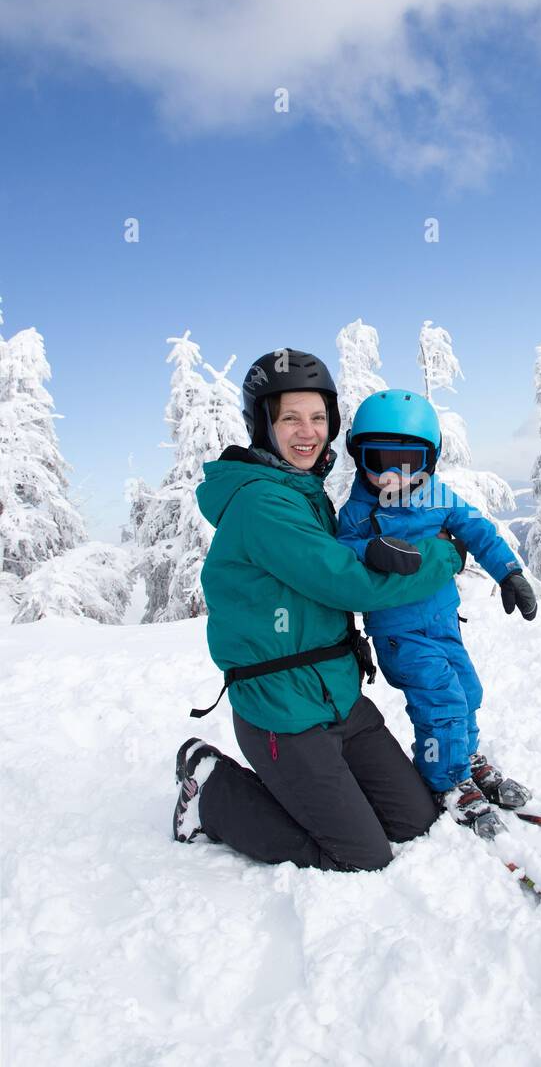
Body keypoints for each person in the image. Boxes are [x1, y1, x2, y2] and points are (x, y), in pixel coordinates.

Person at [172, 349, 467, 872]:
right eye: (290, 417)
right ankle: (211, 793)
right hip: (283, 713)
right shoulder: (263, 503)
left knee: (415, 823)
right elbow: (349, 583)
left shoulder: (300, 490)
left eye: (317, 417)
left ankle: (318, 791)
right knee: (360, 855)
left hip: (337, 697)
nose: (307, 431)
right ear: (262, 425)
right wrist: (443, 555)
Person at [335, 388, 538, 841]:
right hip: (399, 633)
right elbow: (337, 558)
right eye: (377, 458)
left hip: (444, 620)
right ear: (357, 456)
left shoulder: (438, 497)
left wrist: (508, 573)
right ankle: (446, 781)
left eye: (406, 462)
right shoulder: (357, 515)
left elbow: (478, 530)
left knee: (466, 690)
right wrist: (369, 547)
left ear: (430, 461)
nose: (391, 474)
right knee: (439, 700)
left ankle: (463, 758)